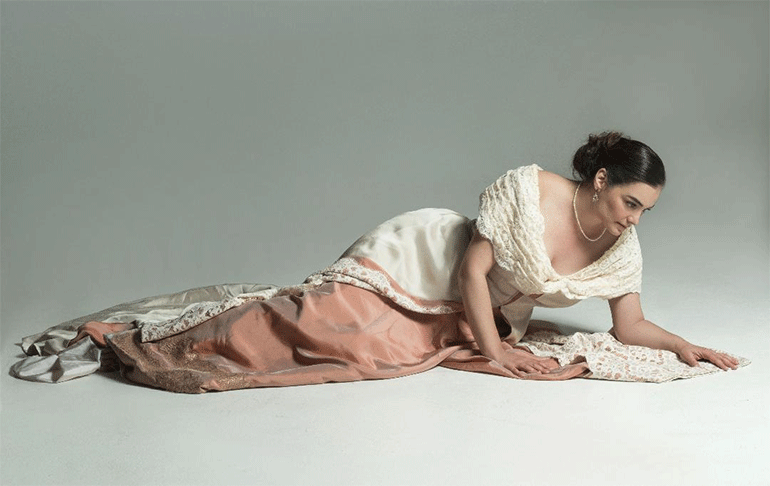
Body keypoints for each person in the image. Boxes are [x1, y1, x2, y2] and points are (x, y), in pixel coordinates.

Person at [11, 131, 742, 393]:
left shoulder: (621, 244)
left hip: (474, 311)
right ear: (601, 180)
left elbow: (630, 326)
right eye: (631, 202)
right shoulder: (531, 189)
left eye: (646, 211)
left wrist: (685, 346)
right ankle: (125, 340)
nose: (634, 220)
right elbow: (470, 272)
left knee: (364, 355)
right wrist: (496, 352)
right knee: (317, 324)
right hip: (425, 260)